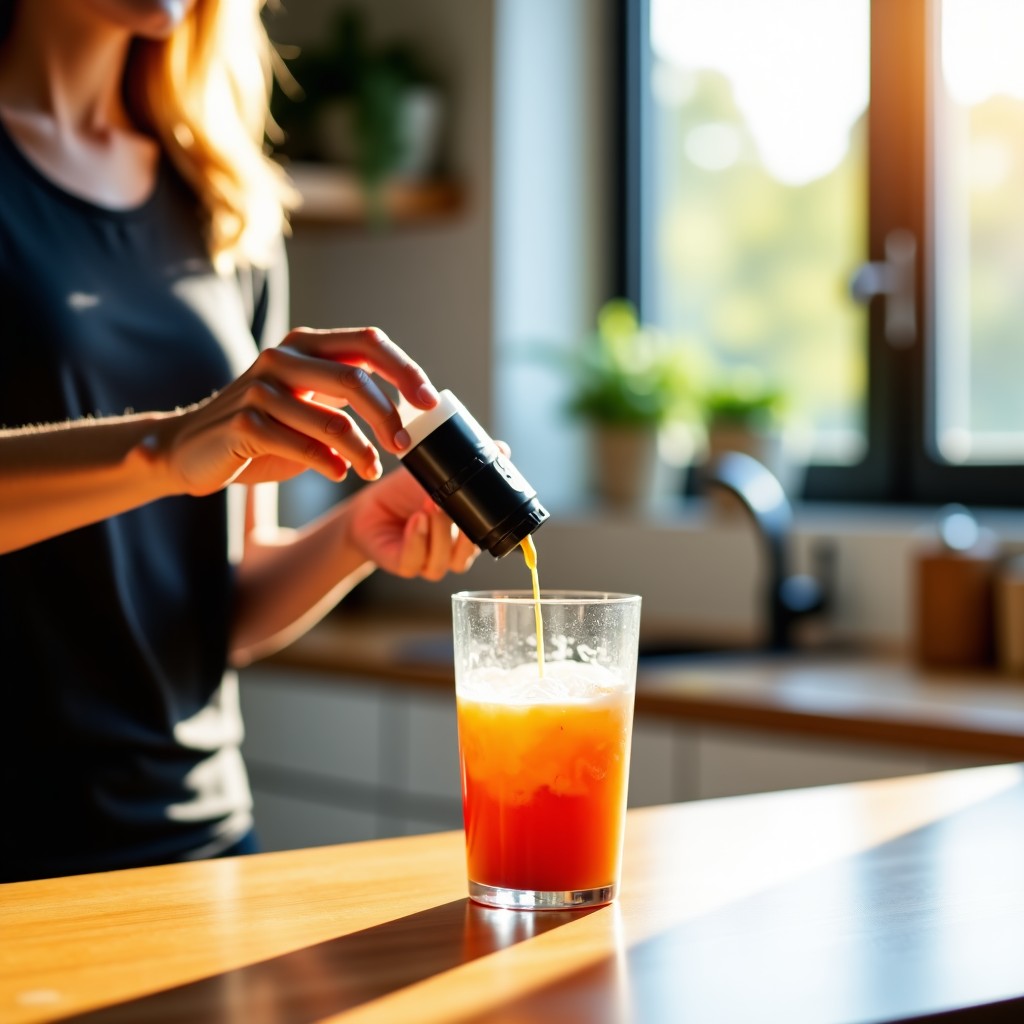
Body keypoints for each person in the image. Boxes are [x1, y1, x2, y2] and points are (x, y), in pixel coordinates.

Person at [0, 0, 481, 883]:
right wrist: (165, 451)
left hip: (194, 836)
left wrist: (351, 534)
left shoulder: (223, 199)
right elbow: (174, 460)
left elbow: (222, 609)